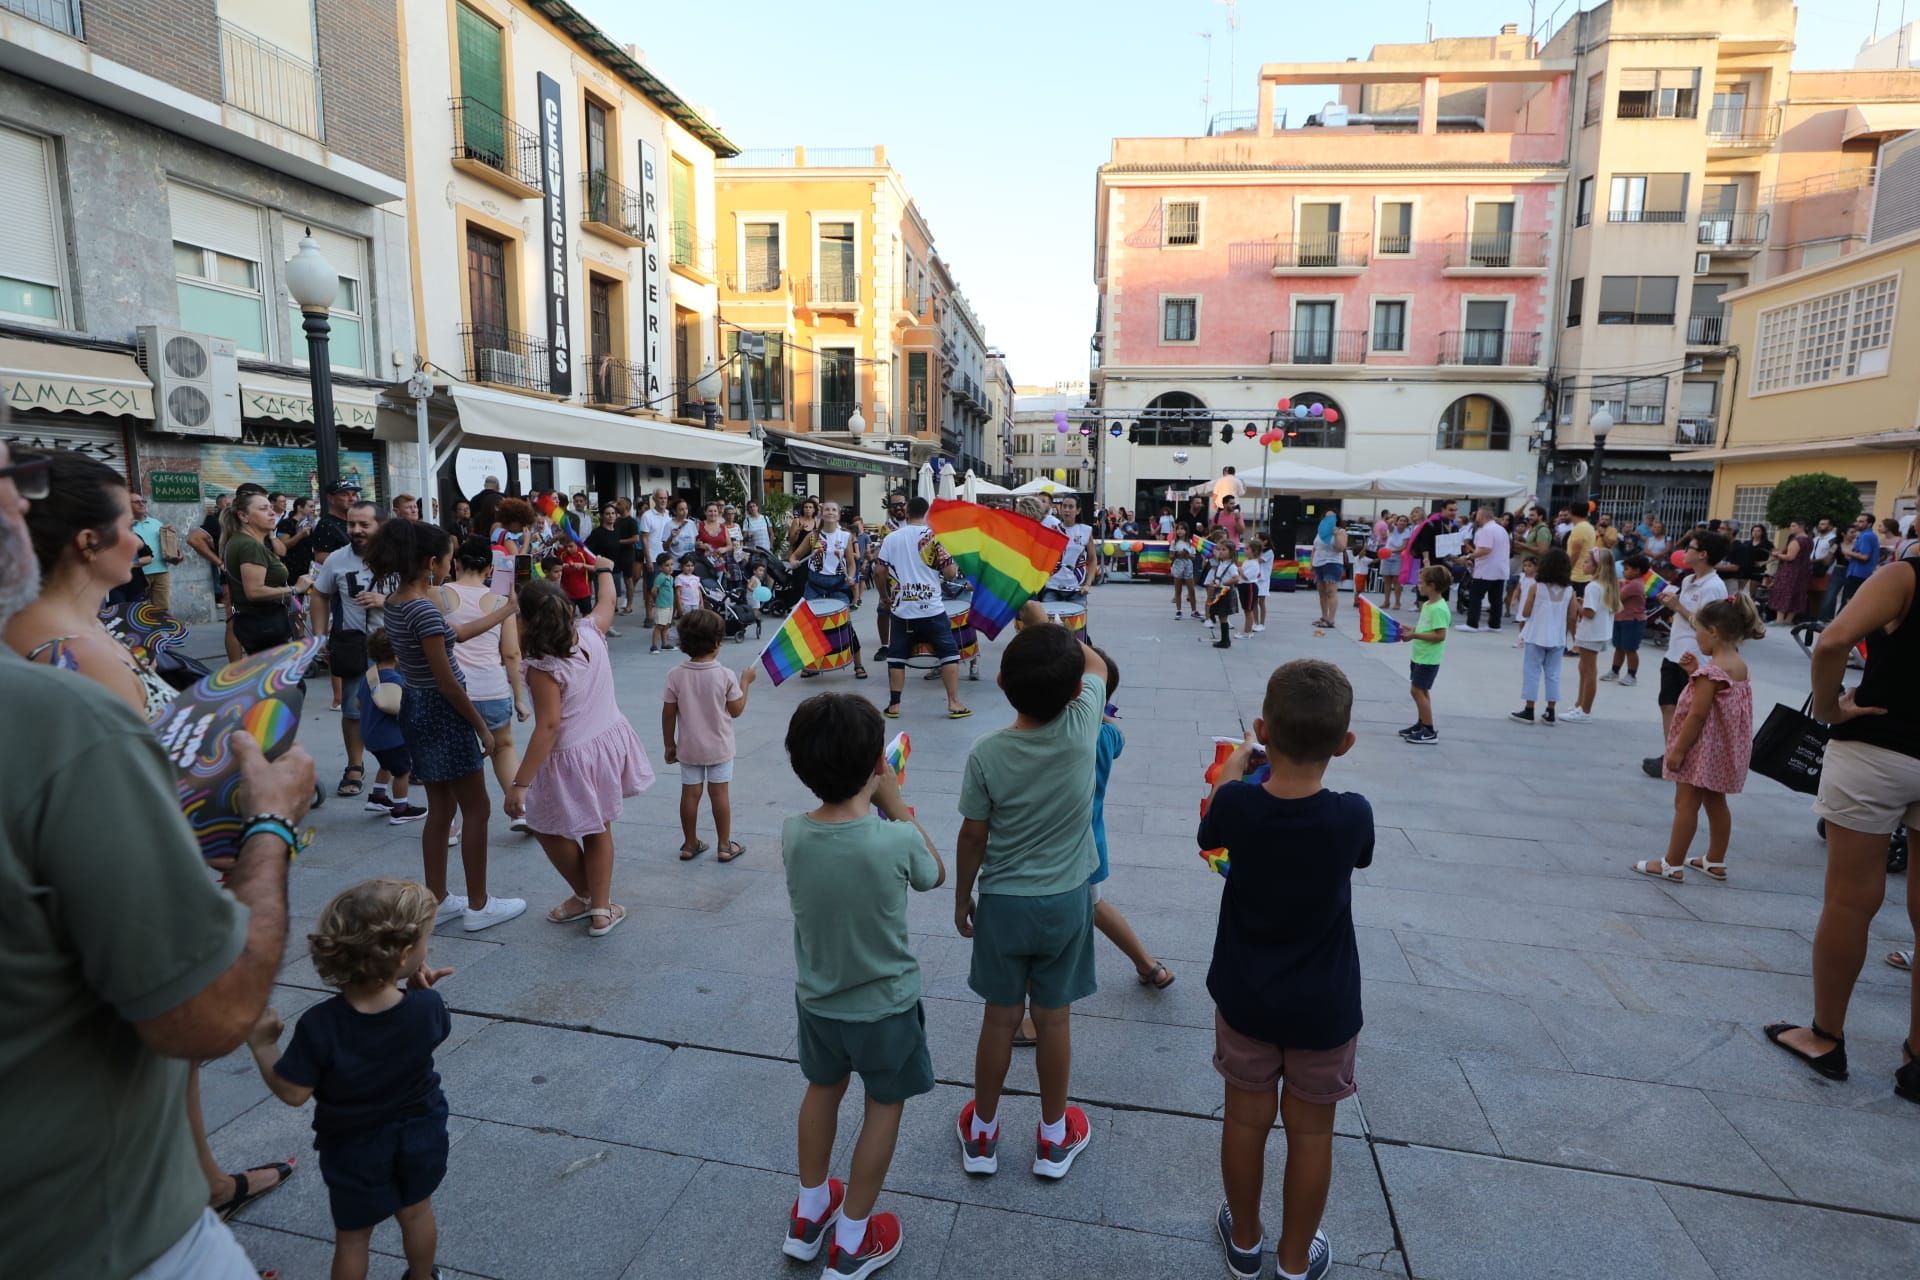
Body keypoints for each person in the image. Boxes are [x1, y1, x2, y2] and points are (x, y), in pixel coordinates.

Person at [0, 436, 321, 1280]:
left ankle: (203, 1179)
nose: (144, 533)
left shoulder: (56, 641)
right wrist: (264, 826)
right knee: (171, 1032)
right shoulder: (71, 669)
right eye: (129, 519)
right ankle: (198, 1185)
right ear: (87, 543)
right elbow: (187, 1006)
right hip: (98, 1228)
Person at [1202, 659, 1368, 1280]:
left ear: (1263, 731)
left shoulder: (1240, 806)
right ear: (1344, 744)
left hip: (1246, 994)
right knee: (1312, 1133)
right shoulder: (1352, 815)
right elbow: (1362, 858)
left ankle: (1245, 1241)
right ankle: (1296, 1260)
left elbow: (1209, 826)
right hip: (1323, 1005)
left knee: (1245, 1119)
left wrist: (1233, 768)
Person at [778, 692, 945, 1274]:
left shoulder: (791, 833)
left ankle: (810, 1211)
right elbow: (934, 874)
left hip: (818, 1003)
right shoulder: (894, 838)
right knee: (883, 1103)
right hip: (885, 1008)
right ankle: (851, 1240)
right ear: (880, 764)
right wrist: (896, 806)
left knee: (821, 1091)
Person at [953, 619, 1108, 1182]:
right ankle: (1051, 1136)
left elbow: (973, 836)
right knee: (1055, 1019)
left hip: (1004, 902)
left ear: (999, 681)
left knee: (999, 1020)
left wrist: (961, 897)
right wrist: (1049, 622)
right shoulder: (1081, 725)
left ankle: (984, 1132)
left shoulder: (987, 753)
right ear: (1072, 693)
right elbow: (1096, 668)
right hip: (1066, 900)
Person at [1765, 543, 1920, 1101]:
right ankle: (1917, 1057)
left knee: (1851, 900)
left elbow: (1831, 640)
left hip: (1877, 749)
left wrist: (1829, 707)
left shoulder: (1903, 575)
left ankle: (1826, 1036)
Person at [245, 880, 453, 1280]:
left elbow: (293, 1092)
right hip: (421, 1133)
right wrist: (418, 991)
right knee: (417, 1212)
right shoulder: (427, 1007)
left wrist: (263, 1045)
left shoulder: (320, 1025)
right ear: (406, 955)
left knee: (353, 1237)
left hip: (353, 1148)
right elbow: (434, 1029)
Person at [367, 518, 523, 932]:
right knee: (478, 807)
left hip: (415, 706)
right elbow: (449, 682)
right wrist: (483, 729)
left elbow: (458, 633)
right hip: (443, 710)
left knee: (441, 808)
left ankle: (438, 898)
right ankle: (479, 904)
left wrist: (506, 610)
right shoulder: (422, 609)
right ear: (432, 562)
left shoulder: (399, 603)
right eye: (448, 561)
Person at [506, 573, 653, 938]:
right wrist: (603, 569)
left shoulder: (544, 667)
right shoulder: (589, 633)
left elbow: (548, 727)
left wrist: (520, 784)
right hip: (603, 744)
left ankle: (588, 895)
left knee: (542, 824)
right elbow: (607, 602)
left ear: (526, 621)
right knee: (598, 826)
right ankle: (600, 909)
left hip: (571, 756)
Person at [6, 450, 176, 720]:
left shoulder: (57, 627)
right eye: (128, 527)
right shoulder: (84, 660)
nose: (137, 542)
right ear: (90, 542)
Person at [1631, 598, 1762, 884]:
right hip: (1724, 750)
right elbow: (1719, 703)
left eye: (1698, 632)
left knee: (1686, 802)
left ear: (1713, 632)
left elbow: (1698, 714)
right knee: (1716, 802)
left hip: (1701, 749)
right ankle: (1715, 860)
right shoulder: (1738, 666)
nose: (1697, 638)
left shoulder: (1710, 673)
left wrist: (1677, 751)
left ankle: (1671, 863)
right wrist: (1693, 675)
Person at [444, 536, 531, 830]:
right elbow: (511, 652)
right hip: (492, 687)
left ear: (455, 563)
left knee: (454, 756)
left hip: (453, 690)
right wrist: (519, 697)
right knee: (504, 747)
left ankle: (452, 825)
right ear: (490, 568)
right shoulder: (500, 601)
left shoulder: (438, 595)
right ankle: (520, 810)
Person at [663, 607, 755, 863]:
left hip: (690, 748)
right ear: (717, 643)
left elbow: (668, 714)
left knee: (690, 795)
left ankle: (690, 843)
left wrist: (669, 744)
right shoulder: (725, 675)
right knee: (719, 795)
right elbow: (736, 711)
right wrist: (745, 681)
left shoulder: (676, 675)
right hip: (720, 748)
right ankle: (725, 846)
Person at [313, 501, 389, 798]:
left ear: (380, 526)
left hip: (397, 646)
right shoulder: (337, 559)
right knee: (353, 709)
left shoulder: (400, 555)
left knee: (404, 704)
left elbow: (421, 595)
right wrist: (320, 635)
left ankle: (407, 763)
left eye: (364, 525)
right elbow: (319, 594)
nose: (355, 530)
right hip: (354, 645)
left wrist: (386, 601)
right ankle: (355, 766)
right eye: (351, 524)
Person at [1641, 532, 1731, 778]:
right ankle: (1671, 754)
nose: (1685, 552)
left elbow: (1709, 628)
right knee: (1668, 705)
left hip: (1695, 659)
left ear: (1702, 554)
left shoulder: (1714, 587)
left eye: (1690, 547)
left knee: (1690, 711)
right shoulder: (1690, 579)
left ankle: (1684, 757)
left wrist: (1677, 606)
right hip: (1675, 653)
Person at [874, 496, 967, 718]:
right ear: (927, 515)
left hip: (902, 608)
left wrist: (884, 596)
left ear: (906, 513)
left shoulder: (892, 538)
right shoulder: (936, 538)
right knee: (948, 654)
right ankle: (953, 703)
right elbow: (950, 573)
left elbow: (879, 572)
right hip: (932, 609)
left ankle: (895, 705)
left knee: (896, 656)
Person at [225, 490, 311, 655]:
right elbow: (254, 592)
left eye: (271, 508)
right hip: (264, 625)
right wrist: (295, 589)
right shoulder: (249, 545)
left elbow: (282, 551)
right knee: (281, 679)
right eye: (264, 509)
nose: (272, 513)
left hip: (260, 624)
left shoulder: (245, 541)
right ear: (243, 516)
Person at [356, 629, 421, 821]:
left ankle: (378, 797)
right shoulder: (395, 680)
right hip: (391, 738)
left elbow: (358, 703)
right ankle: (401, 809)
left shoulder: (369, 676)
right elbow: (405, 707)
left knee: (386, 765)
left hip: (371, 735)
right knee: (402, 771)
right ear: (398, 653)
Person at [1510, 548, 1575, 726]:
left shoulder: (1536, 587)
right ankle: (1550, 710)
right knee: (1553, 674)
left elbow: (1526, 612)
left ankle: (1529, 709)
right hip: (1558, 638)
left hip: (1536, 634)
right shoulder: (1569, 590)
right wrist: (1573, 637)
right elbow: (1572, 616)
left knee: (1532, 671)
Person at [1564, 547, 1620, 723]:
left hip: (1591, 633)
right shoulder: (1606, 585)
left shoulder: (1593, 586)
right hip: (1599, 633)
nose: (1584, 564)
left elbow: (1589, 613)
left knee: (1588, 671)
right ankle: (1579, 704)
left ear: (1598, 566)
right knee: (1585, 669)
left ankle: (1585, 710)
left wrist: (1575, 602)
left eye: (1587, 561)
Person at [1399, 565, 1451, 745]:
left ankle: (1429, 730)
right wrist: (1413, 630)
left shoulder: (1439, 609)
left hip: (1429, 658)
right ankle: (1422, 723)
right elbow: (1426, 628)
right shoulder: (1429, 604)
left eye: (1421, 583)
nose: (1418, 585)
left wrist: (1414, 635)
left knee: (1416, 690)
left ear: (1432, 585)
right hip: (1420, 656)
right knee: (1422, 690)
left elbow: (1440, 635)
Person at [1606, 552, 1651, 686]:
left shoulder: (1635, 585)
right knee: (1619, 647)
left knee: (1630, 649)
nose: (1624, 572)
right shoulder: (1630, 582)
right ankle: (1614, 671)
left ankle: (1632, 674)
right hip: (1621, 619)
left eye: (1626, 569)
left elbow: (1617, 598)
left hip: (1632, 621)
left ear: (1637, 571)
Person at [1040, 494, 1094, 606]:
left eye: (1070, 507)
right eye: (1064, 506)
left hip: (1077, 590)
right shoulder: (1053, 530)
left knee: (1076, 623)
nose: (1066, 510)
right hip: (1053, 587)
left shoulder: (1085, 531)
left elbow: (1092, 559)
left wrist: (1088, 584)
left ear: (1078, 510)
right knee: (1049, 623)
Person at [127, 489, 177, 610]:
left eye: (143, 501)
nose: (141, 504)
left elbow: (167, 547)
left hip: (161, 571)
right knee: (140, 610)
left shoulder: (157, 523)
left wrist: (176, 555)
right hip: (138, 574)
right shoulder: (125, 526)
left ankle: (160, 629)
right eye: (136, 502)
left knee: (162, 609)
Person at [1464, 507, 1510, 631]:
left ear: (1482, 516)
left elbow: (1485, 549)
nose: (1476, 518)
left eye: (1477, 515)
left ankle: (1472, 624)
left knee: (1475, 596)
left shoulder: (1486, 530)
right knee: (1496, 599)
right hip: (1500, 569)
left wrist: (1468, 556)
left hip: (1486, 570)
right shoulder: (1501, 529)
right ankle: (1495, 625)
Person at [1767, 518, 1814, 624]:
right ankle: (1789, 620)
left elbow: (1790, 557)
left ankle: (1779, 620)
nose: (1790, 528)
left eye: (1793, 526)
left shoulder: (1797, 540)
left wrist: (1777, 554)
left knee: (1784, 592)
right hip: (1803, 571)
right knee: (1798, 593)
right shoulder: (1809, 540)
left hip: (1791, 571)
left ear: (1800, 527)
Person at [1308, 513, 1344, 628]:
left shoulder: (1341, 531)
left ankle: (1331, 620)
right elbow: (1315, 548)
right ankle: (1324, 616)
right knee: (1321, 592)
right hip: (1319, 564)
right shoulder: (1321, 532)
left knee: (1330, 591)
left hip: (1332, 563)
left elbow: (1341, 548)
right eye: (1326, 516)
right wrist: (1312, 563)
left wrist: (1336, 534)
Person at [1203, 538, 1240, 649]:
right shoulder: (1222, 563)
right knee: (1221, 616)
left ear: (1231, 552)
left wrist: (1223, 582)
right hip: (1220, 591)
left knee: (1223, 617)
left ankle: (1225, 641)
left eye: (1224, 550)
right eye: (1220, 549)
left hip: (1226, 592)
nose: (1221, 552)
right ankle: (1225, 639)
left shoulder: (1231, 566)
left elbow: (1236, 578)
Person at [1838, 513, 1879, 611]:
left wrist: (1847, 551)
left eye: (1861, 521)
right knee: (1848, 602)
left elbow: (1865, 557)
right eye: (1857, 521)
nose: (1857, 524)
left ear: (1869, 524)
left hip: (1859, 574)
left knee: (1850, 602)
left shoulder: (1867, 536)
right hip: (1856, 572)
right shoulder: (1864, 535)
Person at [1170, 521, 1201, 619]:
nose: (1179, 531)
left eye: (1182, 529)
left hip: (1188, 565)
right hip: (1178, 564)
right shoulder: (1174, 542)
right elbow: (1171, 556)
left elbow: (1193, 556)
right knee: (1178, 589)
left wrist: (1187, 555)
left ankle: (1194, 610)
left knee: (1191, 590)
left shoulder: (1190, 542)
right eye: (1178, 529)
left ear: (1186, 531)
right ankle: (1178, 610)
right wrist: (1177, 554)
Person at [638, 487, 674, 569]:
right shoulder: (647, 516)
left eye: (665, 498)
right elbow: (644, 539)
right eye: (660, 498)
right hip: (653, 559)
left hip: (668, 559)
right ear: (654, 499)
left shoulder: (670, 515)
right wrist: (648, 560)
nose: (663, 500)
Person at [1237, 536, 1264, 638]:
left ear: (1254, 551)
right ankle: (1246, 630)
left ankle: (1247, 632)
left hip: (1249, 587)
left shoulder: (1254, 563)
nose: (1245, 550)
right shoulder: (1247, 561)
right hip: (1243, 586)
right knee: (1246, 609)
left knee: (1249, 610)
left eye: (1247, 549)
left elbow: (1247, 577)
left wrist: (1240, 571)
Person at [648, 553, 676, 653]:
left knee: (667, 625)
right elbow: (654, 590)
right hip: (662, 605)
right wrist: (657, 600)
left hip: (669, 605)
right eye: (667, 565)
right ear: (660, 567)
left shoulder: (671, 577)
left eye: (671, 565)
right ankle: (654, 646)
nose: (670, 567)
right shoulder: (661, 577)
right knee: (659, 625)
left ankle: (665, 644)